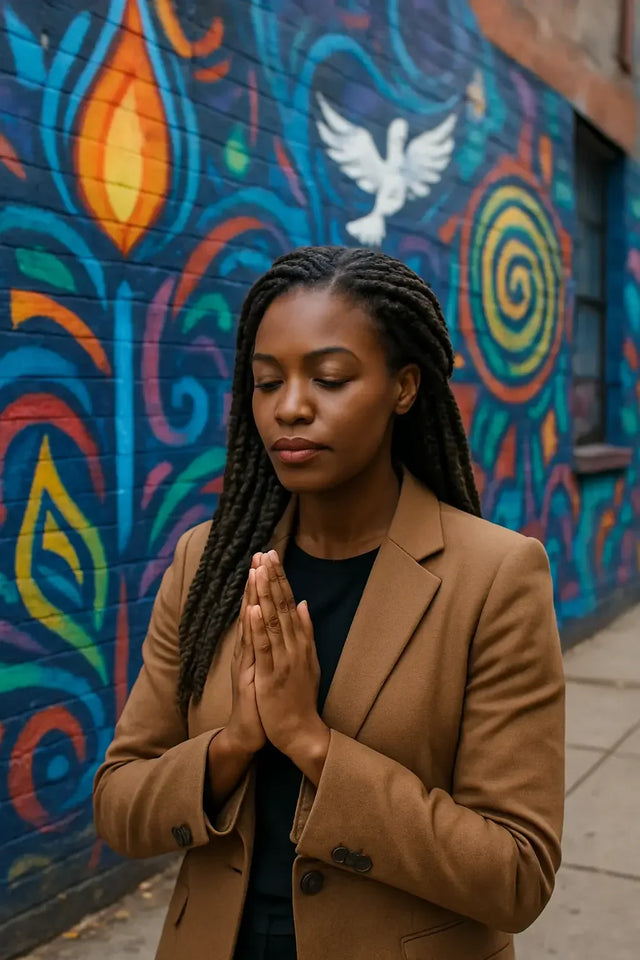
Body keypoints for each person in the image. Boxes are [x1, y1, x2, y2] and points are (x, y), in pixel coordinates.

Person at [93, 246, 565, 960]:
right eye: (265, 381)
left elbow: (517, 875)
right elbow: (120, 806)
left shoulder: (494, 578)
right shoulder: (205, 565)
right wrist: (234, 744)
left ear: (404, 388)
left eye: (330, 377)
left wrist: (312, 743)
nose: (290, 406)